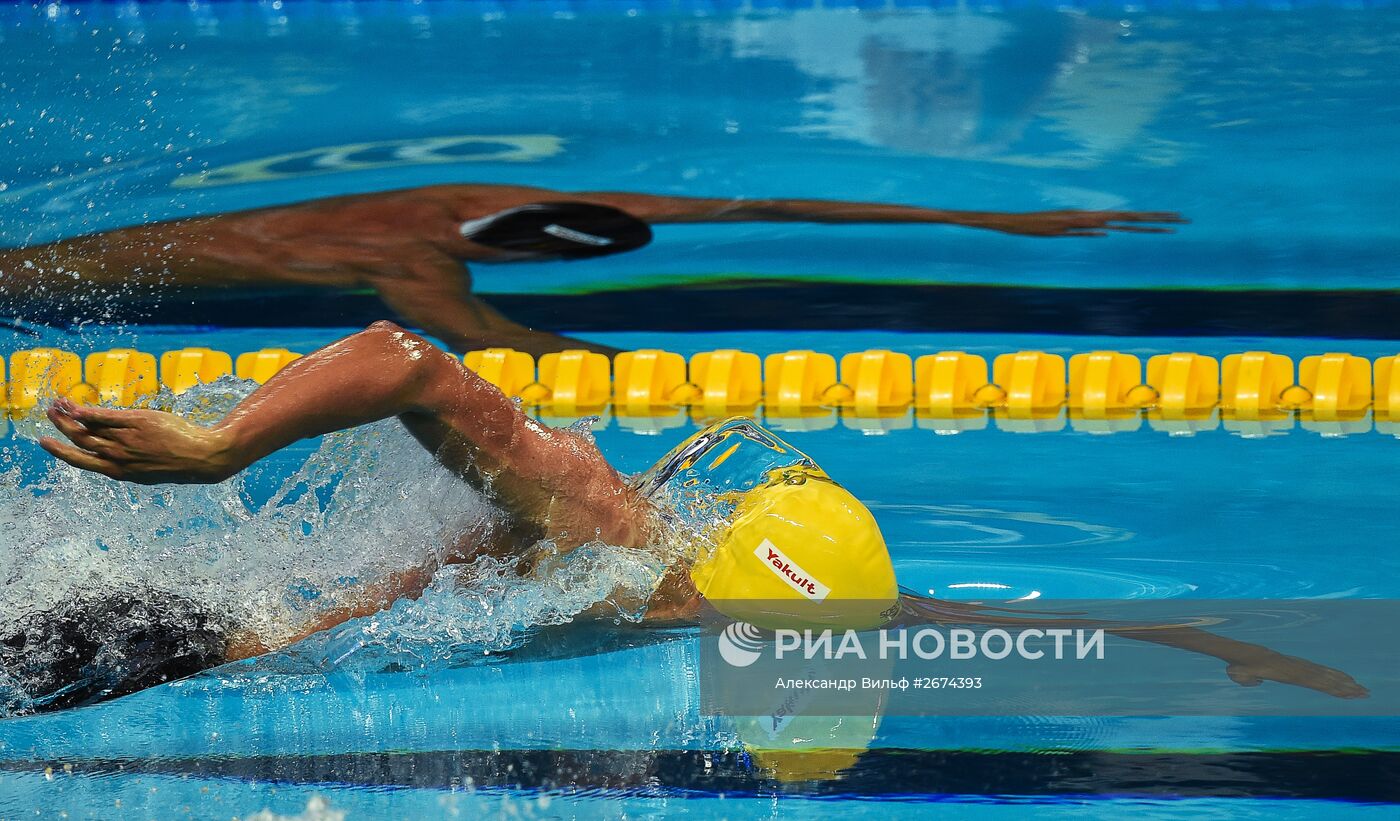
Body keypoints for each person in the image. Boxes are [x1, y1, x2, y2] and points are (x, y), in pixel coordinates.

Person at [18, 321, 1366, 717]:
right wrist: (215, 451)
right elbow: (403, 360)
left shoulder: (725, 583)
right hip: (182, 634)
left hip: (230, 638)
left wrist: (1231, 648)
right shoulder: (611, 534)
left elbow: (982, 626)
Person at [0, 185, 1184, 354]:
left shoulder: (459, 204)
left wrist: (987, 222)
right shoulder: (407, 254)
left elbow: (753, 202)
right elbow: (490, 343)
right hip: (32, 282)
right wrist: (625, 360)